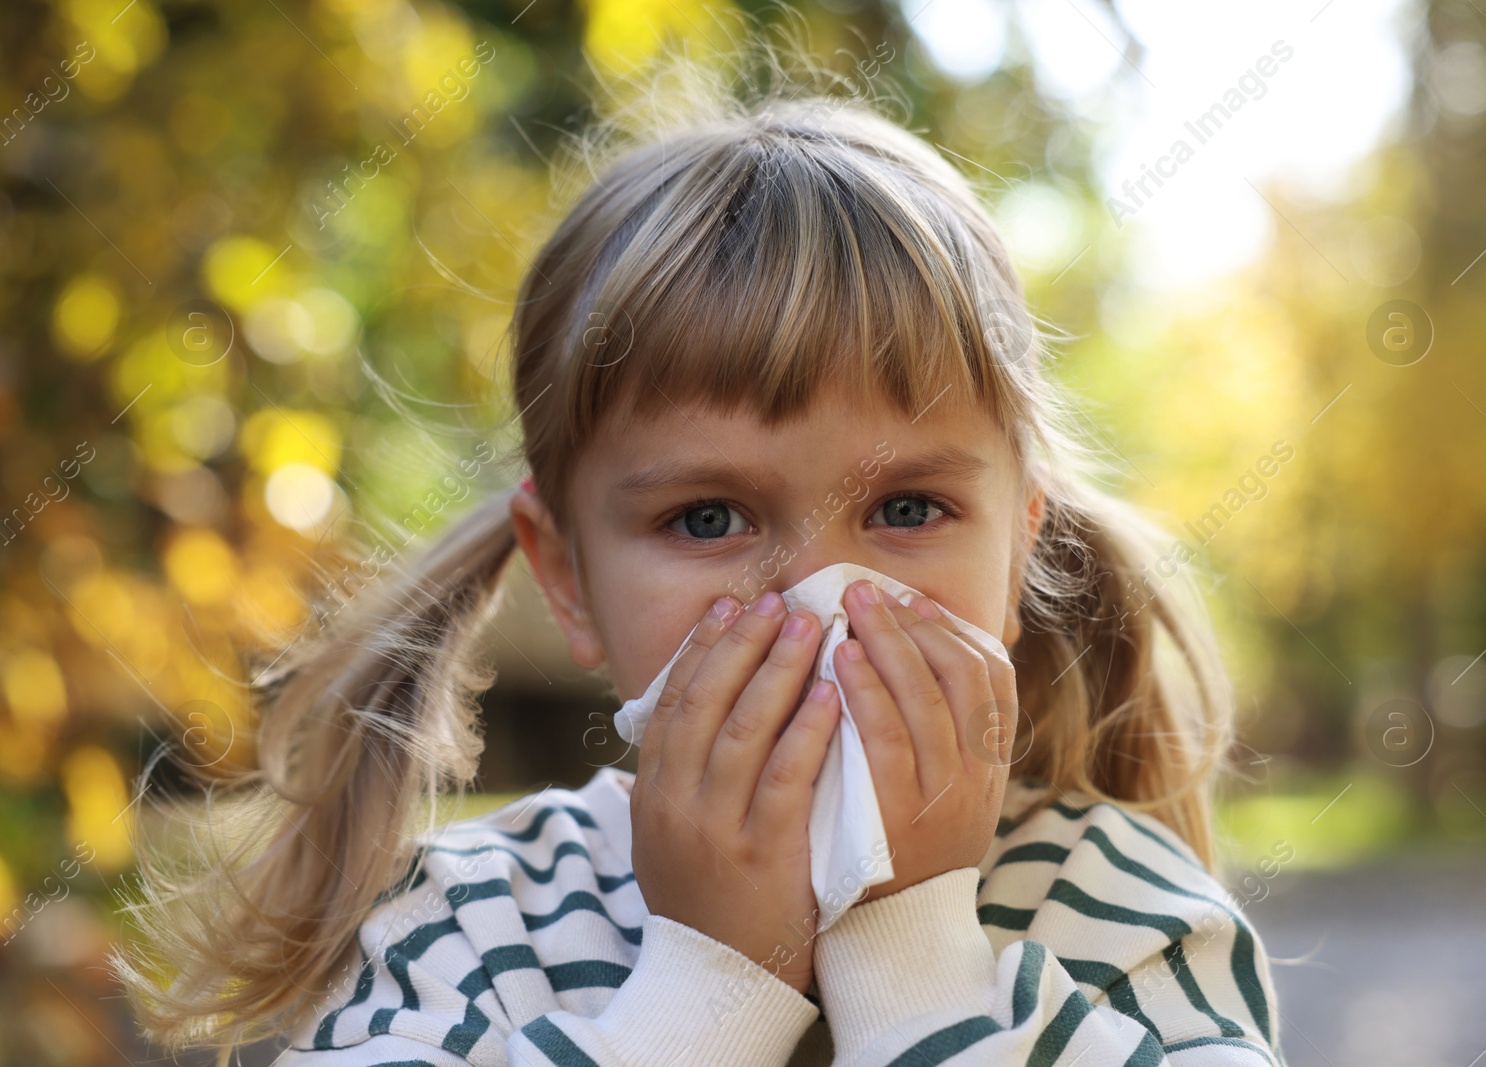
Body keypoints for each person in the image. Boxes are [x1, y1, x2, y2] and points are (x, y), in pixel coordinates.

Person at [114, 41, 1285, 1067]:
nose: (822, 600)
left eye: (910, 508)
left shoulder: (1128, 916)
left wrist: (915, 960)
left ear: (1022, 538)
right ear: (566, 575)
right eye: (709, 519)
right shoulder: (468, 928)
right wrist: (706, 993)